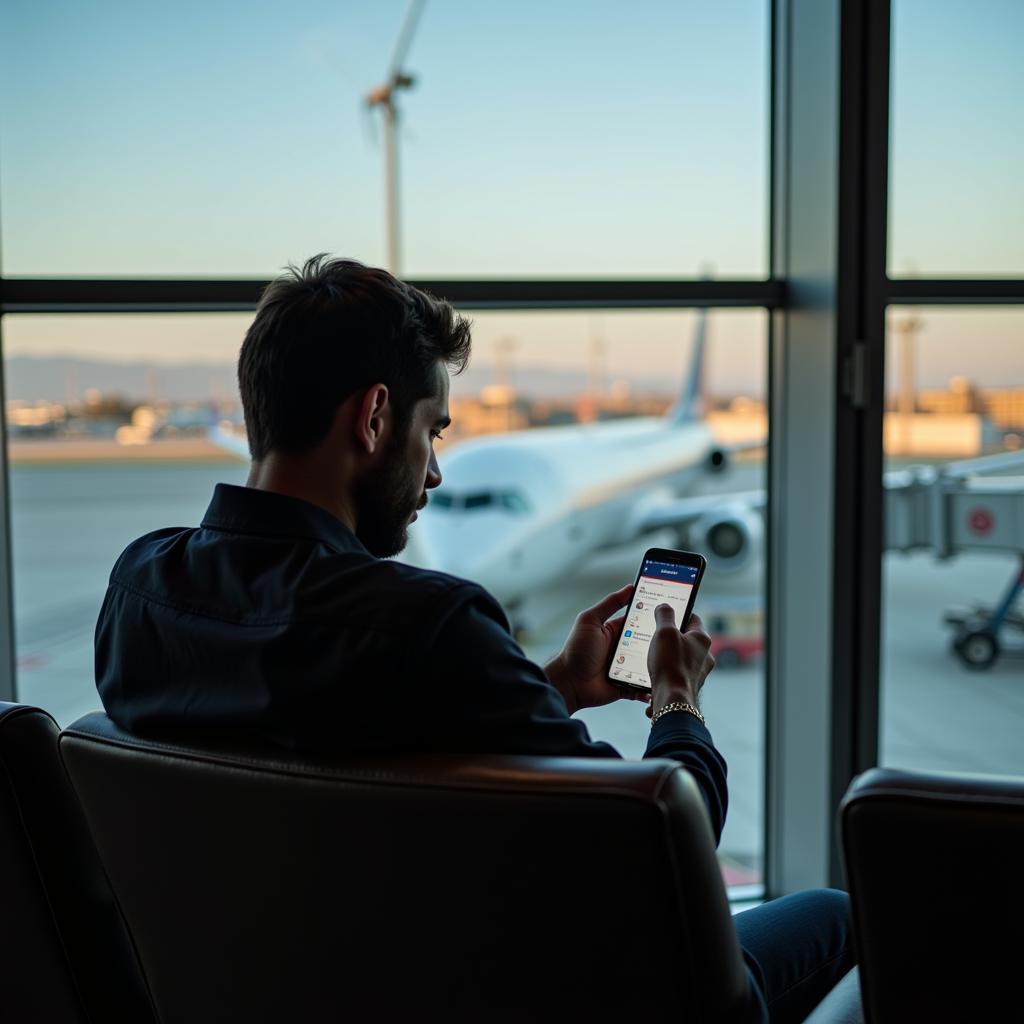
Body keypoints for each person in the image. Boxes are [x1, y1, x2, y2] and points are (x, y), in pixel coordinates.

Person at [95, 256, 855, 1024]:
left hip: (262, 988)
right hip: (504, 987)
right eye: (433, 432)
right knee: (835, 917)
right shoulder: (428, 625)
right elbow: (662, 844)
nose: (432, 473)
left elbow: (378, 741)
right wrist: (675, 702)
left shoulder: (139, 590)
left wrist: (549, 688)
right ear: (374, 418)